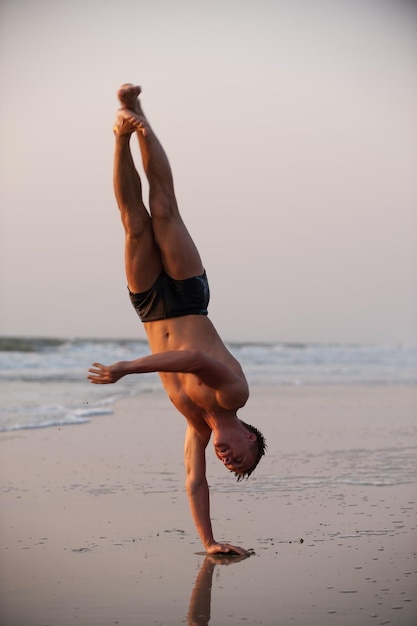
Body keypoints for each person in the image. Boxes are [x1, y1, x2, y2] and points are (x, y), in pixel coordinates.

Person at [88, 84, 266, 556]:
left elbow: (193, 481)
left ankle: (121, 136)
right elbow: (189, 356)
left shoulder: (196, 425)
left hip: (148, 307)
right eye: (240, 458)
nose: (227, 461)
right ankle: (139, 115)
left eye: (229, 466)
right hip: (188, 297)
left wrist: (208, 542)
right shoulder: (234, 394)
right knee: (163, 207)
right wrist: (127, 368)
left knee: (132, 220)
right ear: (249, 435)